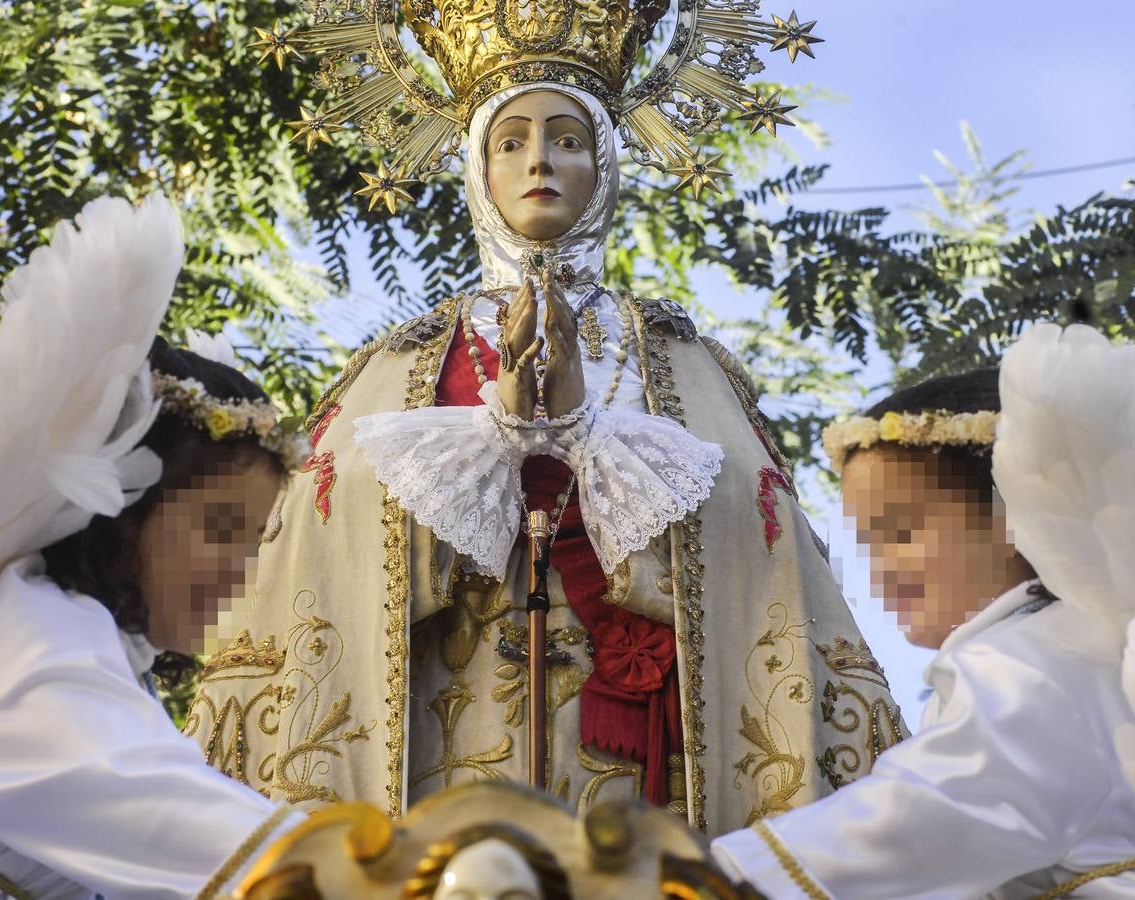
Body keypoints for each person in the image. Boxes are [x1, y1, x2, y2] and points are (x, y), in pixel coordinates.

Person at [187, 1, 903, 833]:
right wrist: (490, 442)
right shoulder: (398, 363)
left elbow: (760, 543)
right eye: (510, 141)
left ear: (605, 162)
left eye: (567, 139)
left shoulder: (683, 360)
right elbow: (322, 547)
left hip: (646, 767)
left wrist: (587, 441)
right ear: (475, 167)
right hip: (435, 751)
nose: (539, 162)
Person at [0, 195, 307, 899]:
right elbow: (204, 839)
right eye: (219, 530)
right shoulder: (31, 642)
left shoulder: (79, 644)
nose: (242, 571)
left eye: (255, 542)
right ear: (122, 513)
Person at [711, 342, 1135, 897]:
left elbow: (937, 810)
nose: (882, 570)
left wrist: (716, 877)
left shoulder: (1038, 654)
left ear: (1018, 514)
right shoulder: (1094, 647)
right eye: (870, 545)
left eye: (901, 533)